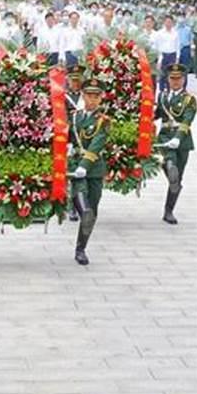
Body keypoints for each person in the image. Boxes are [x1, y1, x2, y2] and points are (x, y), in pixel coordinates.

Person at [69, 78, 110, 266]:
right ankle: (80, 249)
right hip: (75, 168)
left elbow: (96, 144)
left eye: (96, 96)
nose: (92, 100)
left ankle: (81, 247)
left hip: (93, 170)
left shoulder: (103, 121)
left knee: (91, 212)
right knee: (85, 210)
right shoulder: (74, 116)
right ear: (83, 96)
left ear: (101, 98)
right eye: (89, 95)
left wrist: (84, 166)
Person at [154, 64, 196, 225]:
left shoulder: (189, 99)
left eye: (178, 79)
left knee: (177, 180)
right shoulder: (163, 96)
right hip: (164, 138)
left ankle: (168, 210)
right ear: (168, 79)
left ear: (184, 80)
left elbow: (187, 119)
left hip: (182, 141)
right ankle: (169, 165)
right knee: (171, 166)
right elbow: (158, 114)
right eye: (172, 78)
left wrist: (178, 138)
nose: (175, 82)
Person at [65, 64, 85, 222]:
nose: (76, 83)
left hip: (84, 139)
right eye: (73, 80)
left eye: (78, 80)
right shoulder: (63, 97)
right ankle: (72, 207)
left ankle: (82, 204)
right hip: (69, 139)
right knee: (72, 173)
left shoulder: (87, 97)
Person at [155, 15, 181, 92]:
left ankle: (170, 92)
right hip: (163, 55)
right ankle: (161, 93)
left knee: (171, 75)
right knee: (162, 75)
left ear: (172, 23)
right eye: (167, 22)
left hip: (172, 55)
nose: (168, 24)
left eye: (170, 22)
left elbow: (178, 46)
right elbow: (157, 46)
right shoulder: (159, 33)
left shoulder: (175, 33)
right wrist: (159, 60)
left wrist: (177, 58)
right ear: (164, 22)